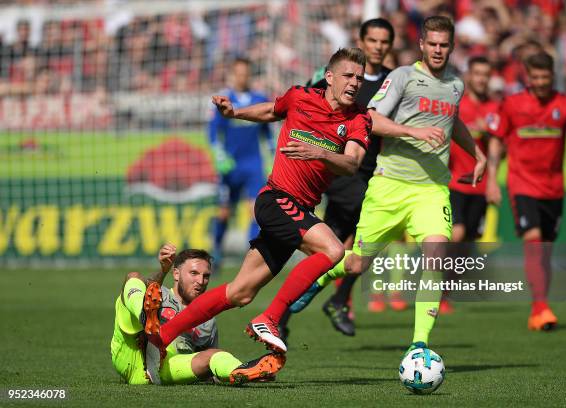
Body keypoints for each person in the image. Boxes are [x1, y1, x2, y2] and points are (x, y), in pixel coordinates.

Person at [143, 47, 447, 379]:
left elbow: (352, 163)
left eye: (359, 78)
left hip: (298, 210)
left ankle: (161, 337)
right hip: (275, 199)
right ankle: (271, 317)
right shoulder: (301, 97)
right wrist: (236, 113)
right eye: (348, 76)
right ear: (329, 77)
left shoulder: (359, 118)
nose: (354, 83)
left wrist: (318, 152)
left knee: (241, 291)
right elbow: (272, 110)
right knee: (332, 250)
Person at [291, 16, 487, 350]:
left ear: (452, 47)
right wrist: (413, 131)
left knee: (436, 257)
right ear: (422, 45)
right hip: (390, 185)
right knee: (355, 262)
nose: (438, 50)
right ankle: (319, 280)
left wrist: (478, 153)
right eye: (433, 44)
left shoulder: (455, 85)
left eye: (445, 45)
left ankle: (419, 345)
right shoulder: (403, 77)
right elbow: (371, 119)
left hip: (432, 189)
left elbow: (452, 119)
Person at [286, 18, 396, 337]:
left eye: (384, 41)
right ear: (362, 40)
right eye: (372, 40)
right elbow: (309, 102)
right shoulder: (336, 76)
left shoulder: (393, 80)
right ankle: (335, 300)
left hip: (372, 171)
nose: (378, 46)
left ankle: (287, 313)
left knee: (342, 249)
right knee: (363, 237)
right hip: (342, 169)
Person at [486, 51, 566, 331]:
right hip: (522, 184)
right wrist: (491, 179)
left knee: (546, 251)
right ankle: (541, 307)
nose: (540, 82)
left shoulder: (565, 105)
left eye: (545, 77)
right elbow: (495, 142)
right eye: (535, 77)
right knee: (535, 241)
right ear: (528, 77)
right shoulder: (512, 105)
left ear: (553, 76)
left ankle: (538, 307)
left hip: (554, 189)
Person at [110, 243, 285, 385]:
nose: (200, 281)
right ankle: (144, 314)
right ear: (176, 274)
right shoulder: (159, 294)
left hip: (164, 370)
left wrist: (222, 371)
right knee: (133, 277)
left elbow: (206, 364)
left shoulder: (207, 321)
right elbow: (147, 287)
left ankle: (242, 370)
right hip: (132, 352)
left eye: (206, 276)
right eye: (193, 273)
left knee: (213, 354)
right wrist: (163, 270)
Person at [442, 55, 501, 314]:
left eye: (485, 74)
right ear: (469, 75)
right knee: (456, 232)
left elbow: (499, 146)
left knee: (468, 240)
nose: (481, 79)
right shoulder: (458, 104)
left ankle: (447, 292)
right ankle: (438, 287)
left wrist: (494, 182)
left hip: (481, 184)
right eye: (477, 73)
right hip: (455, 181)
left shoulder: (495, 108)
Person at [208, 58, 274, 268]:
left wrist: (273, 150)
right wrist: (218, 153)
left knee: (255, 211)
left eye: (245, 73)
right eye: (238, 73)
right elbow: (212, 131)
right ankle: (216, 250)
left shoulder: (259, 98)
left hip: (253, 165)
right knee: (224, 212)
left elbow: (267, 130)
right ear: (232, 74)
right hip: (230, 165)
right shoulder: (223, 100)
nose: (242, 77)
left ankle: (251, 257)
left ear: (250, 75)